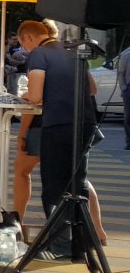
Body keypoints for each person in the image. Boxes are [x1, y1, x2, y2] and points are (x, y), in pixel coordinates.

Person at [17, 19, 99, 257]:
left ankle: (59, 246)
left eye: (23, 45)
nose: (25, 50)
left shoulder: (39, 54)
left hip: (58, 124)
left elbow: (35, 97)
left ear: (28, 38)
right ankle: (81, 244)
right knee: (78, 184)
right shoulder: (75, 52)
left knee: (54, 187)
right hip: (86, 123)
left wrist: (26, 95)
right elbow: (92, 89)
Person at [119, 42, 130, 150]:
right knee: (128, 116)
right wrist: (123, 88)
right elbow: (121, 73)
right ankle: (129, 142)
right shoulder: (126, 55)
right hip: (129, 88)